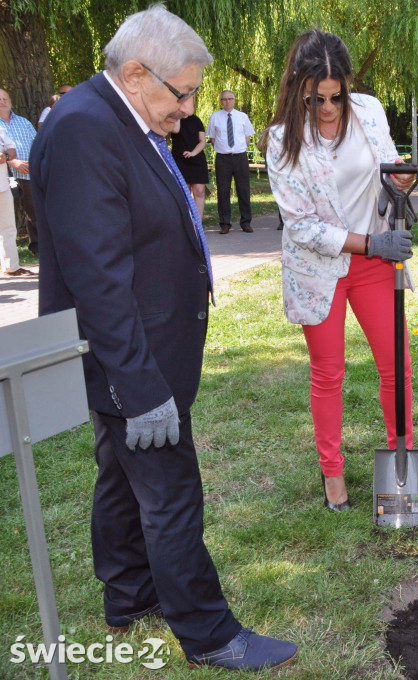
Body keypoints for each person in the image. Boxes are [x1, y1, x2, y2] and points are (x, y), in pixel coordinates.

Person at [31, 6, 296, 670]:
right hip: (133, 364)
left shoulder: (117, 117)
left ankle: (127, 594)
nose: (186, 111)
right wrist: (141, 388)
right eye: (181, 94)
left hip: (141, 354)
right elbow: (99, 280)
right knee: (171, 493)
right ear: (134, 72)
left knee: (122, 477)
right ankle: (209, 634)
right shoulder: (87, 130)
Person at [263, 28, 415, 513]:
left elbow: (386, 161)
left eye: (336, 95)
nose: (328, 108)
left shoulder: (368, 110)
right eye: (315, 99)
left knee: (397, 366)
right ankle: (332, 473)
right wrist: (371, 241)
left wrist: (400, 175)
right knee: (328, 373)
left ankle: (402, 459)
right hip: (319, 268)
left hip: (374, 264)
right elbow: (302, 226)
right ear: (297, 89)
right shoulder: (281, 139)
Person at [208, 90, 254, 233]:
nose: (227, 101)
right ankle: (225, 224)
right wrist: (224, 148)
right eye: (224, 99)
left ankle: (246, 222)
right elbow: (212, 138)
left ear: (234, 100)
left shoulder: (242, 117)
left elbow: (248, 137)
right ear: (221, 101)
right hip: (223, 158)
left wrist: (239, 148)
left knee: (244, 190)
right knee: (223, 191)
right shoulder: (215, 117)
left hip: (240, 157)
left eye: (230, 99)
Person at [0, 88, 40, 254]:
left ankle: (38, 248)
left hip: (27, 174)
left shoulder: (23, 122)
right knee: (5, 219)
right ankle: (7, 256)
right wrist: (13, 162)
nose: (2, 102)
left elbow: (37, 143)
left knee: (34, 212)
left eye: (5, 98)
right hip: (4, 176)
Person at [1, 126, 30, 276]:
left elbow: (12, 151)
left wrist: (5, 156)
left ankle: (12, 267)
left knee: (9, 227)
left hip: (3, 185)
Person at [170, 112, 209, 221]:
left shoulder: (196, 120)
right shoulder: (173, 119)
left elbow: (202, 141)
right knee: (184, 192)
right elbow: (175, 130)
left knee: (199, 191)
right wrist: (177, 115)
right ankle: (187, 222)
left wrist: (193, 153)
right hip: (180, 159)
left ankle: (198, 222)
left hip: (197, 159)